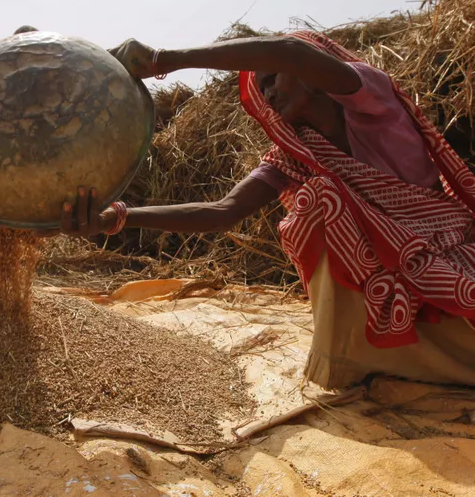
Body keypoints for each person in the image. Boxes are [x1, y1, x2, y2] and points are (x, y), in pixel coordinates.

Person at [48, 31, 475, 390]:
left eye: (271, 79)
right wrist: (115, 218)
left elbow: (288, 50)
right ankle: (349, 357)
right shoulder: (296, 156)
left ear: (310, 72)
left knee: (323, 200)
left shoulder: (372, 103)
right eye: (262, 88)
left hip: (444, 255)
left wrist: (165, 60)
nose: (267, 92)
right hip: (388, 281)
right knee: (319, 201)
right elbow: (223, 211)